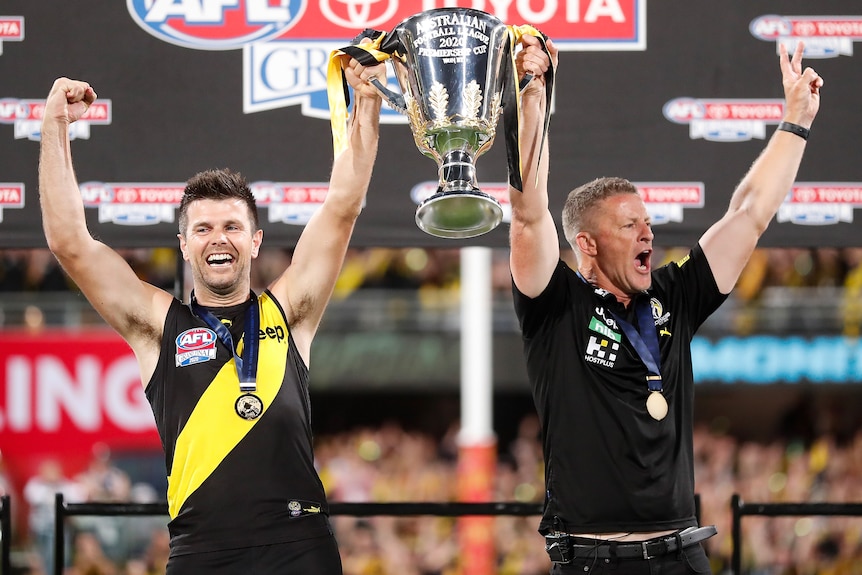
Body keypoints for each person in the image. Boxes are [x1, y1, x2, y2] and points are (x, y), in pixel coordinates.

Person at [38, 50, 386, 574]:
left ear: (254, 241)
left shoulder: (289, 311)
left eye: (231, 227)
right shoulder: (157, 325)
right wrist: (55, 128)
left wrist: (367, 103)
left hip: (300, 546)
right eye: (202, 229)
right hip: (203, 553)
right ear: (183, 244)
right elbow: (70, 243)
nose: (217, 239)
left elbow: (343, 207)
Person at [509, 37, 823, 574]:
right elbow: (528, 216)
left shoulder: (673, 297)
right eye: (629, 225)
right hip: (592, 560)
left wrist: (795, 121)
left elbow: (748, 215)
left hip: (682, 556)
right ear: (587, 244)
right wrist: (531, 98)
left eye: (648, 223)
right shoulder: (555, 304)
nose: (647, 234)